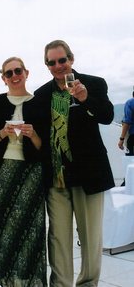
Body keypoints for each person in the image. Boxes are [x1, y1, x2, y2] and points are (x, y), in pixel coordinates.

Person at [34, 39, 115, 287]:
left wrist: (85, 98)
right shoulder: (41, 95)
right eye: (52, 62)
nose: (58, 66)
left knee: (90, 237)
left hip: (89, 175)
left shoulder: (93, 83)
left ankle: (88, 283)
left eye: (62, 60)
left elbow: (107, 115)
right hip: (56, 178)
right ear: (47, 65)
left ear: (71, 59)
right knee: (58, 239)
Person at [0, 57, 48, 287]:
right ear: (3, 78)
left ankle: (31, 282)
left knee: (33, 228)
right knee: (4, 229)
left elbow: (44, 147)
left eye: (17, 71)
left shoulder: (39, 103)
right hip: (3, 173)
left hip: (32, 172)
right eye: (8, 73)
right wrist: (2, 133)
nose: (14, 76)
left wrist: (33, 135)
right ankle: (6, 281)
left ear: (26, 72)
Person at [118, 89, 134, 155]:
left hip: (133, 138)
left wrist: (121, 139)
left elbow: (127, 122)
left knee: (131, 162)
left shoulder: (130, 103)